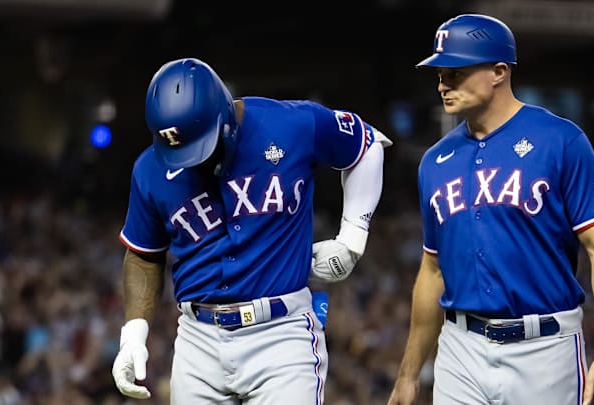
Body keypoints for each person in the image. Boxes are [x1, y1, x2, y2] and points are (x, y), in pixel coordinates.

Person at [111, 57, 392, 404]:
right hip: (197, 340)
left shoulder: (291, 123)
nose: (191, 159)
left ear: (224, 115)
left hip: (281, 333)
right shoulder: (149, 169)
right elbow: (143, 254)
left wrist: (352, 237)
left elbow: (366, 145)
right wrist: (134, 335)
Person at [387, 14, 594, 405]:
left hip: (545, 348)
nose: (443, 84)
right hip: (460, 347)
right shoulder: (434, 161)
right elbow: (432, 270)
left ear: (499, 71)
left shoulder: (561, 140)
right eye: (440, 73)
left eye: (456, 72)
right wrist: (409, 374)